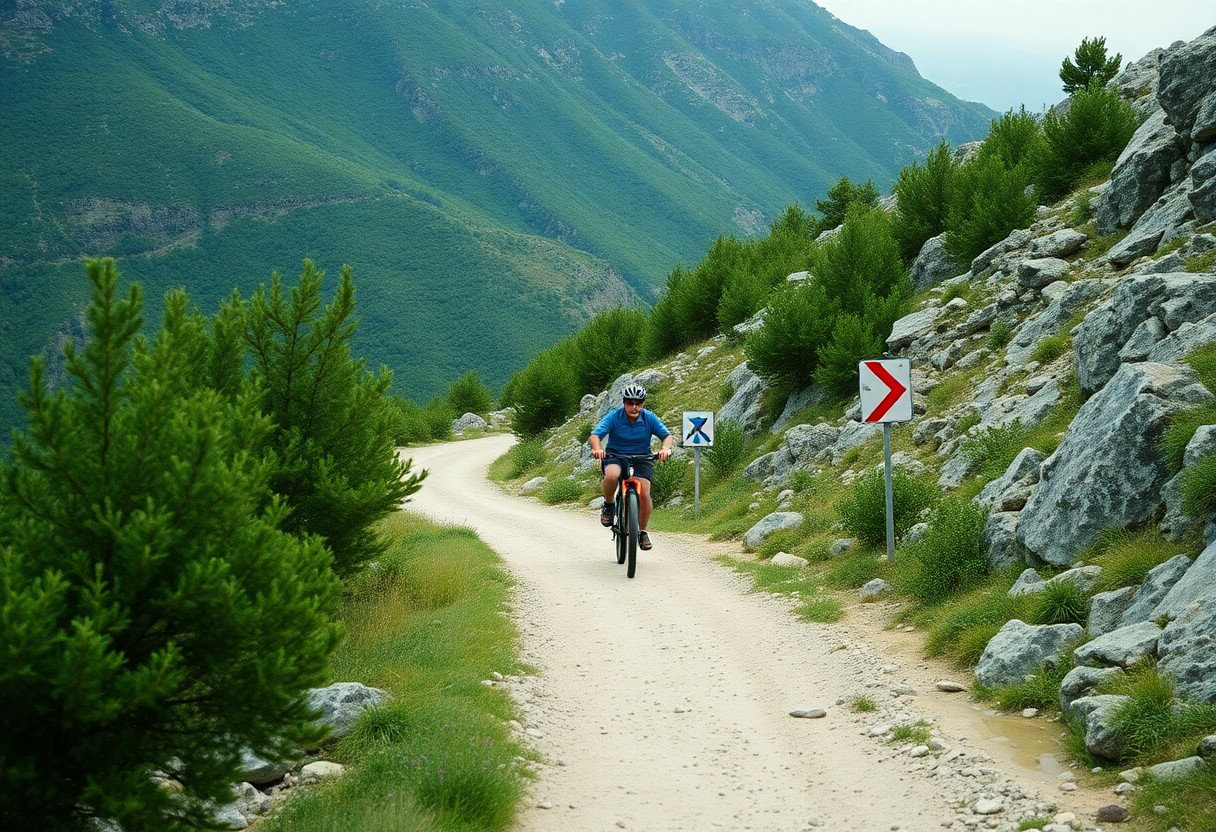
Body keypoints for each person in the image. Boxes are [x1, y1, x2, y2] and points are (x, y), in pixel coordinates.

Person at [588, 383, 673, 550]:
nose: (634, 407)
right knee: (612, 475)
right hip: (616, 455)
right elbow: (595, 435)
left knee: (644, 492)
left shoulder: (649, 418)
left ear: (642, 403)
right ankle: (609, 504)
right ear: (624, 402)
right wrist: (597, 448)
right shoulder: (614, 416)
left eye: (638, 403)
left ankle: (642, 531)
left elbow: (666, 436)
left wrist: (665, 449)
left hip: (642, 457)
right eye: (630, 403)